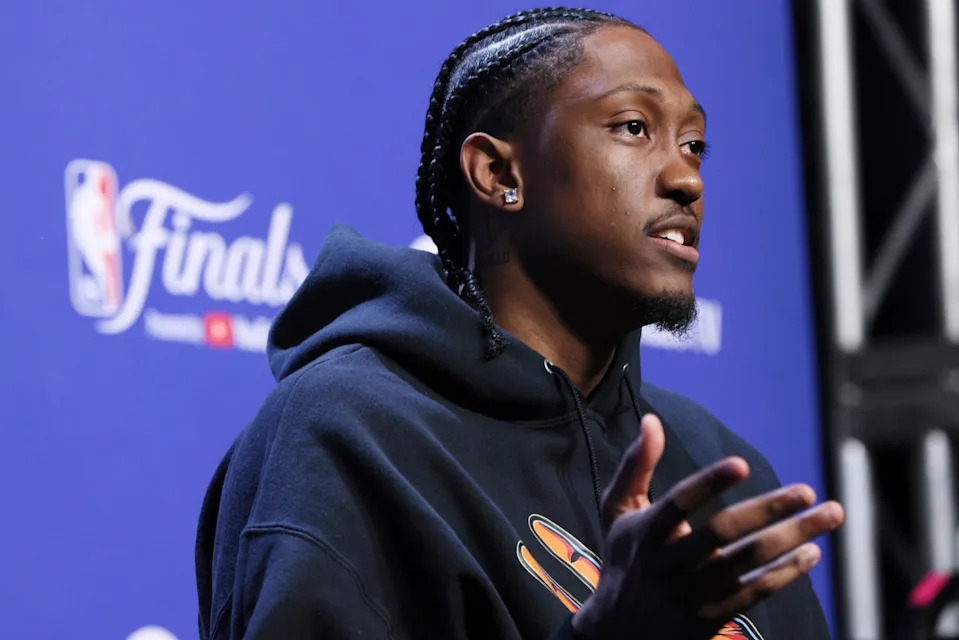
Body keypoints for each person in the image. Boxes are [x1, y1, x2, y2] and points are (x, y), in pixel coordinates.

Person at [195, 7, 845, 639]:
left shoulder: (717, 465)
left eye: (694, 144)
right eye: (631, 127)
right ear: (499, 173)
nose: (684, 178)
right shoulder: (346, 433)